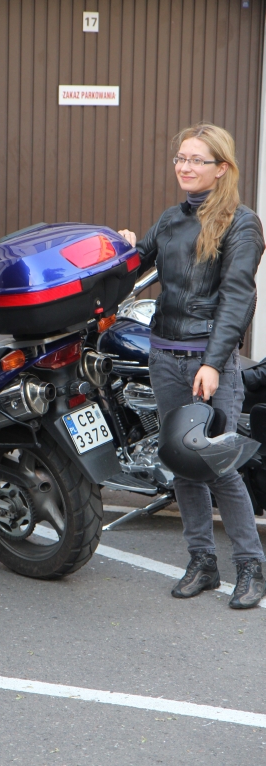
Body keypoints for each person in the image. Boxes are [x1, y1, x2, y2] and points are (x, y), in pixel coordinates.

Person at [118, 122, 266, 609]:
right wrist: (123, 247)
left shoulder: (242, 223)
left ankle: (251, 567)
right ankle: (202, 562)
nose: (185, 167)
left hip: (207, 361)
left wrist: (214, 363)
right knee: (182, 464)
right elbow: (134, 268)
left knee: (219, 466)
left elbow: (238, 299)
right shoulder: (171, 219)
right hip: (164, 355)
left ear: (221, 168)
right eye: (180, 158)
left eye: (196, 160)